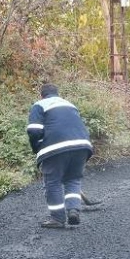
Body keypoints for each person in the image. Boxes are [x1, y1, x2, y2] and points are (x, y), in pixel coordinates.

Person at [26, 84, 93, 229]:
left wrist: (36, 147)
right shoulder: (69, 104)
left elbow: (34, 131)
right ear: (57, 94)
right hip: (82, 145)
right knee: (73, 179)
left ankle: (57, 218)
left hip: (55, 147)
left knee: (53, 182)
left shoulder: (39, 105)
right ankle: (73, 210)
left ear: (41, 95)